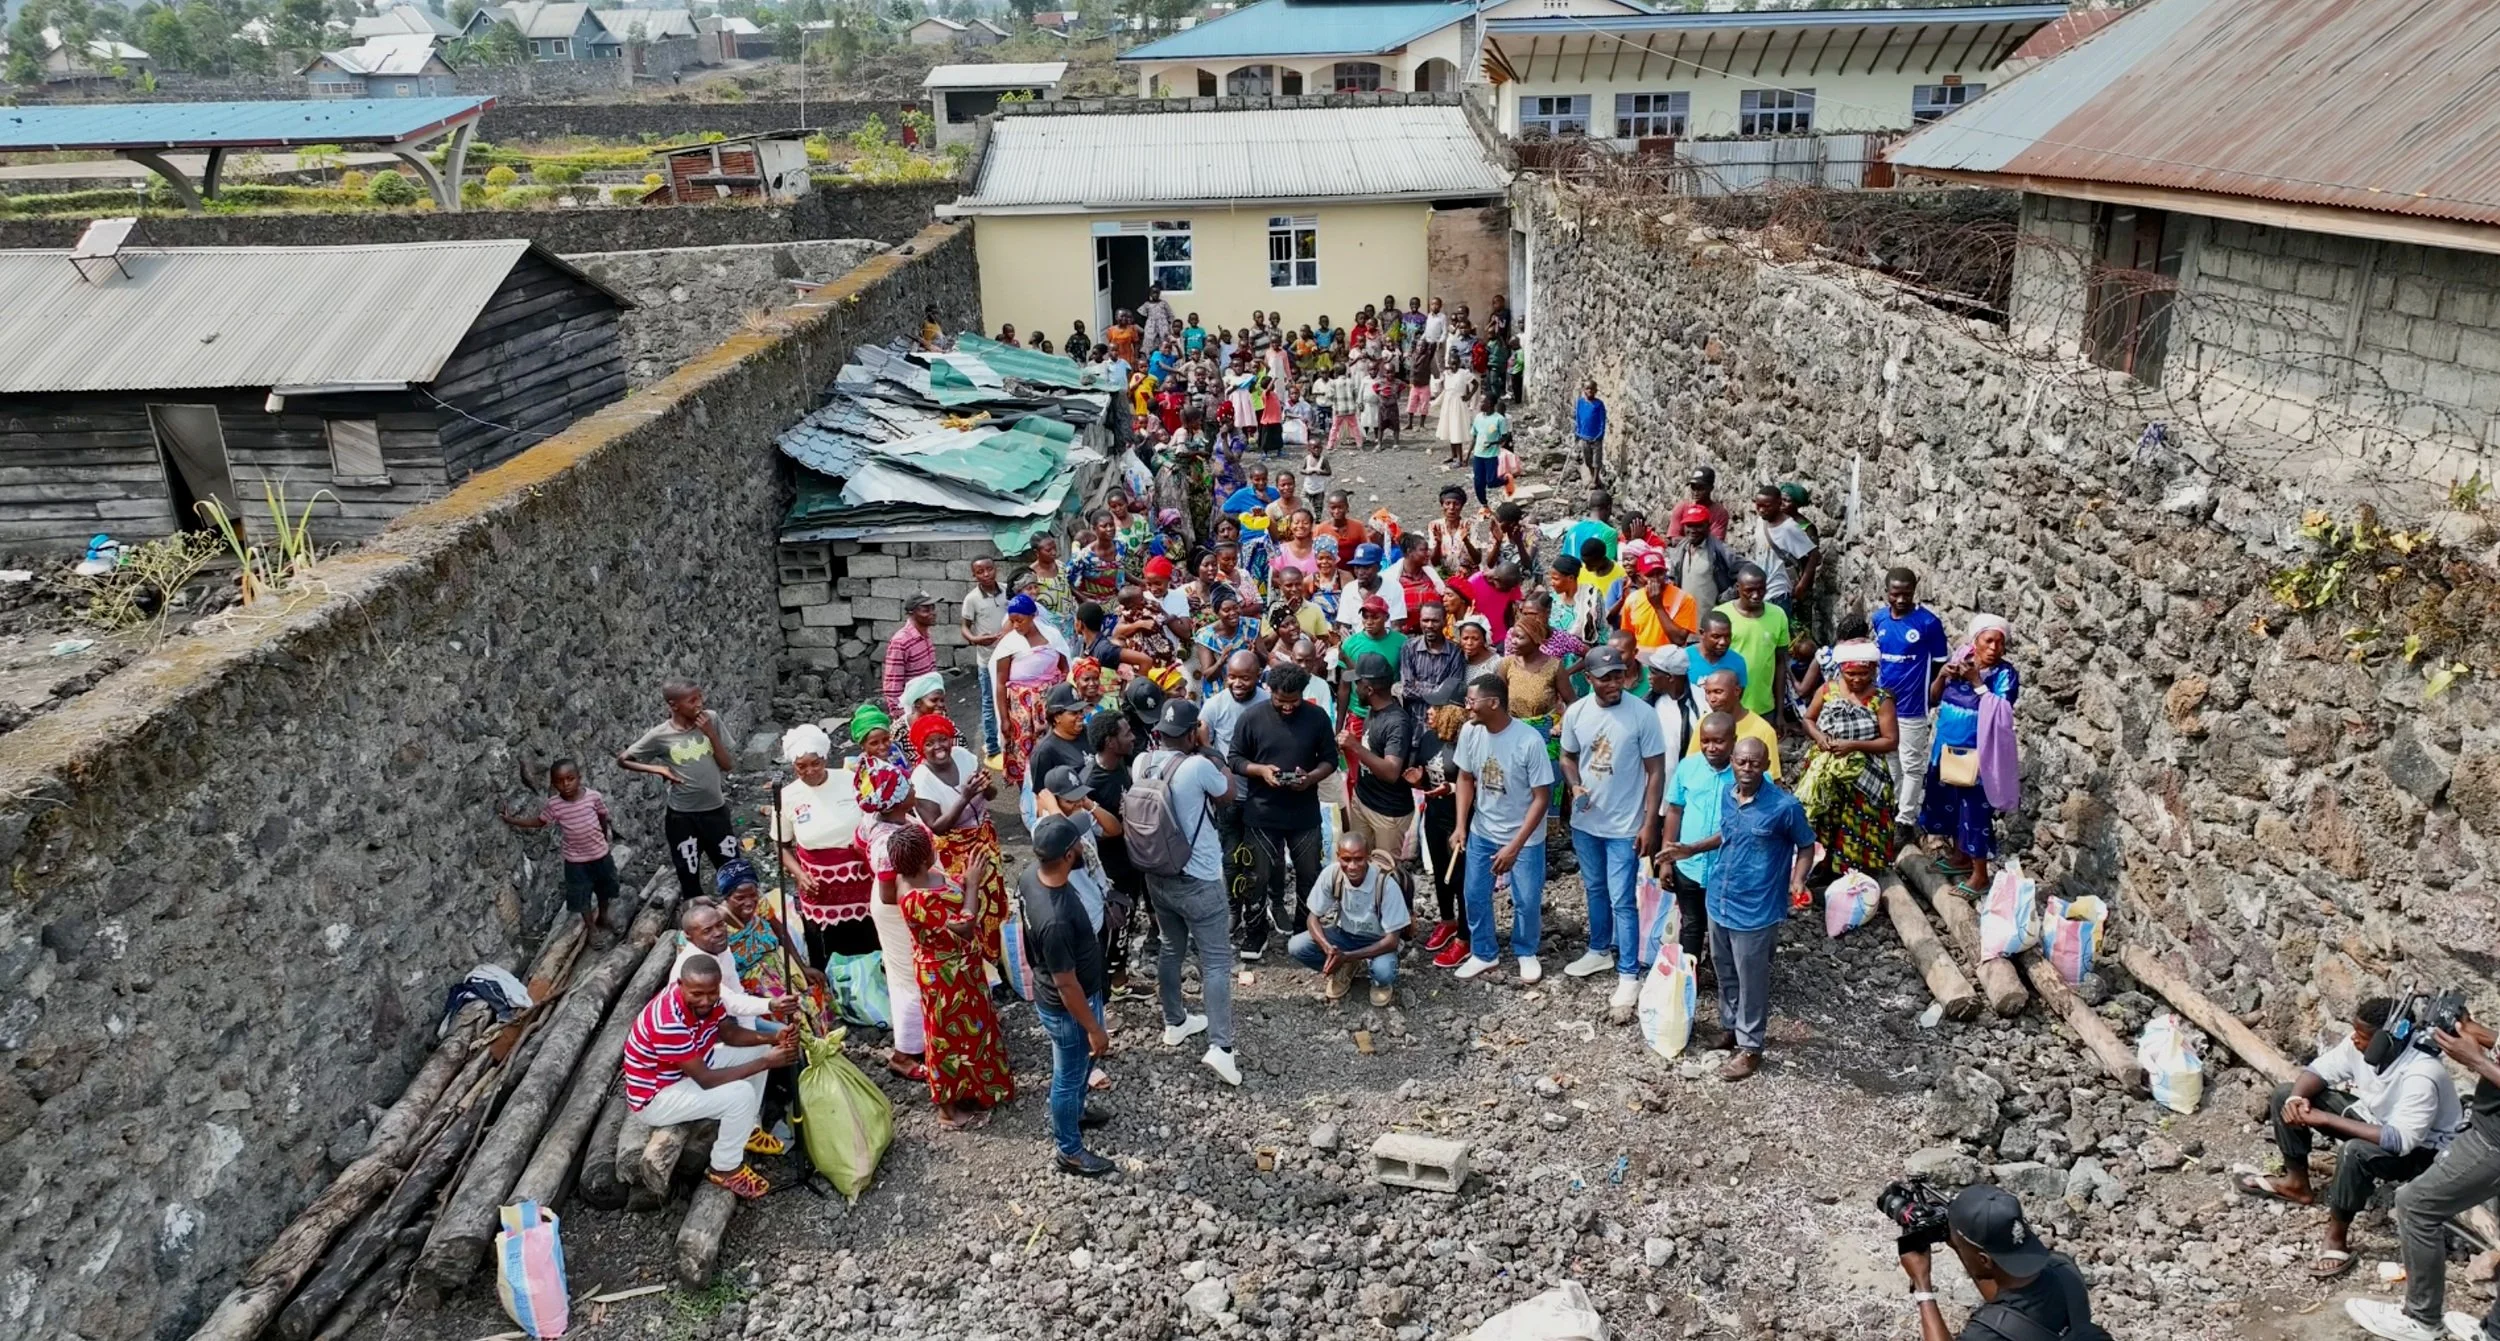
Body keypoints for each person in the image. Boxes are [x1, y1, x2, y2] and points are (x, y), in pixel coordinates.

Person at [2237, 997, 2462, 1281]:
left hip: (2423, 1152)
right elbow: (2317, 1072)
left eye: (2362, 1036)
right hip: (2378, 1122)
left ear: (2387, 1040)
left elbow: (2401, 1140)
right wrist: (2296, 1100)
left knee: (2355, 1152)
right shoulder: (2360, 1045)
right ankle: (2296, 1184)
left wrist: (2325, 1119)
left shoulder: (2422, 1074)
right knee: (2285, 1094)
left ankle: (2336, 1237)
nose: (2354, 1039)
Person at [2344, 1010, 2500, 1341]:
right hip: (2489, 1128)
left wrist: (2478, 1062)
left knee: (2416, 1204)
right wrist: (2475, 1031)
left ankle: (2421, 1319)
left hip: (2493, 1143)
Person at [1670, 736, 1810, 1080]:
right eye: (1741, 762)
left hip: (1756, 907)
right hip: (1720, 898)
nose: (1747, 769)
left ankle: (1750, 1047)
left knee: (1752, 980)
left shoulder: (1784, 807)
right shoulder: (1727, 794)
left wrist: (1798, 879)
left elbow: (1806, 845)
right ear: (1732, 761)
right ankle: (1731, 1027)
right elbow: (1728, 833)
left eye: (1755, 763)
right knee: (1725, 969)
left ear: (1766, 766)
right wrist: (1692, 848)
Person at [1134, 698, 1246, 1087]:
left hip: (1157, 874)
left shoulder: (1141, 761)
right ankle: (1221, 1048)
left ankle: (1175, 1021)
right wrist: (1211, 752)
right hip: (1198, 877)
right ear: (1190, 733)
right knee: (1216, 962)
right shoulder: (1198, 766)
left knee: (1171, 947)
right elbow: (1228, 792)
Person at [621, 955, 797, 1200]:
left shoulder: (713, 998)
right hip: (658, 1096)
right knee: (741, 1094)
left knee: (759, 1050)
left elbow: (729, 1034)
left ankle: (747, 1130)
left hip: (690, 1068)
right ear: (680, 984)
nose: (705, 1001)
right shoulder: (667, 1021)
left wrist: (774, 1038)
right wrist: (767, 1062)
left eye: (712, 993)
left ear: (718, 985)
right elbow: (706, 1079)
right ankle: (725, 1167)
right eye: (697, 994)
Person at [1556, 646, 1668, 1022]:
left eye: (1618, 675)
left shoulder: (1642, 714)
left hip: (1625, 825)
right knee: (1594, 888)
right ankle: (1599, 949)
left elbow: (1656, 771)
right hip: (1586, 822)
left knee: (1622, 898)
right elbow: (1567, 756)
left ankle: (1629, 974)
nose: (1614, 683)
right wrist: (1574, 784)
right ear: (1588, 679)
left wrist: (1649, 823)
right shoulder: (1576, 713)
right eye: (1605, 678)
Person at [889, 821, 1012, 1128]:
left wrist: (967, 878)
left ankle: (975, 1091)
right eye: (931, 847)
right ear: (922, 860)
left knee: (972, 1031)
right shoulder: (916, 898)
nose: (936, 848)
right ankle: (947, 1109)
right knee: (945, 1040)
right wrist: (972, 884)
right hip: (944, 976)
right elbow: (965, 926)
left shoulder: (917, 876)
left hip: (960, 969)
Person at [1227, 663, 1339, 961]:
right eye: (1281, 701)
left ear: (1303, 694)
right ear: (1270, 691)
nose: (1288, 706)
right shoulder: (1252, 718)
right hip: (1262, 813)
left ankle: (1305, 929)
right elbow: (1234, 759)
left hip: (1304, 813)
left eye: (1294, 701)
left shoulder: (1317, 717)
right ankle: (1255, 932)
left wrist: (1311, 778)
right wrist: (1260, 770)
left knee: (1309, 874)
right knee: (1256, 876)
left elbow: (1330, 759)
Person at [1450, 673, 1555, 981]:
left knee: (1527, 898)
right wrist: (1460, 825)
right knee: (1474, 893)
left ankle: (1526, 951)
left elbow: (1542, 798)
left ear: (1493, 703)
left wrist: (1515, 846)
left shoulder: (1529, 741)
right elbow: (1465, 777)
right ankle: (1484, 953)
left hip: (1525, 836)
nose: (1467, 707)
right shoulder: (1470, 731)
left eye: (1472, 701)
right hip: (1483, 829)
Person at [1902, 1186, 2110, 1341]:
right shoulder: (2064, 1268)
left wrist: (1922, 1284)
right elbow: (2011, 1307)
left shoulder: (1987, 1333)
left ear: (1984, 1260)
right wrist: (1960, 1247)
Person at [1920, 614, 2021, 896]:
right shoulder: (1961, 659)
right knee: (1950, 804)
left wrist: (1977, 682)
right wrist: (1942, 675)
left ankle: (1980, 876)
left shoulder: (2004, 674)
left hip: (1980, 755)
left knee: (1974, 812)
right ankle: (1959, 857)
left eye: (2000, 643)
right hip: (1948, 748)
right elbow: (1933, 697)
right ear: (1975, 641)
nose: (1994, 648)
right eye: (1988, 641)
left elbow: (2002, 711)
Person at [618, 680, 737, 903]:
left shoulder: (710, 720)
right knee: (688, 872)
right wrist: (658, 769)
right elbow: (623, 760)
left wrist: (710, 734)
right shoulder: (660, 735)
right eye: (692, 701)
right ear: (673, 705)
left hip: (715, 811)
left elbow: (727, 765)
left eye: (700, 697)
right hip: (682, 817)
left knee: (732, 868)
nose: (699, 704)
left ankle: (735, 911)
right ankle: (696, 913)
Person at [909, 715, 1008, 970]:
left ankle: (999, 954)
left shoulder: (964, 757)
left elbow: (991, 795)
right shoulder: (921, 780)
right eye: (930, 743)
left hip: (984, 838)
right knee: (970, 901)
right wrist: (965, 797)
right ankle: (979, 963)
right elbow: (937, 827)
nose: (938, 747)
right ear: (920, 748)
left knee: (993, 895)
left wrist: (986, 787)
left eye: (942, 739)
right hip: (955, 851)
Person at [774, 725, 879, 964]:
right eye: (801, 766)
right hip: (819, 890)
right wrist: (800, 875)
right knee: (827, 950)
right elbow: (781, 845)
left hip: (862, 881)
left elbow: (875, 821)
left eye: (816, 763)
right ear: (793, 766)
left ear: (825, 758)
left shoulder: (851, 780)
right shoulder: (787, 796)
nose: (810, 771)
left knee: (870, 941)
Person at [1796, 640, 1899, 878]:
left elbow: (1890, 741)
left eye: (1864, 673)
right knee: (1825, 817)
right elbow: (1808, 719)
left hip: (1865, 774)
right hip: (1827, 771)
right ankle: (1821, 869)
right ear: (1841, 669)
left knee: (1860, 823)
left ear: (1874, 670)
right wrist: (1820, 737)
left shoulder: (1881, 700)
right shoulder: (1827, 691)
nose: (1857, 679)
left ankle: (1856, 874)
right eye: (1851, 674)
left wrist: (1852, 745)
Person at [1652, 711, 1735, 973]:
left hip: (1727, 868)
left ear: (1733, 740)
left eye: (1719, 741)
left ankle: (1726, 978)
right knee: (1691, 923)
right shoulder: (1688, 767)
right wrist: (1667, 859)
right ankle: (1689, 979)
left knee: (1724, 926)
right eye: (1705, 741)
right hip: (1689, 866)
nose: (1711, 747)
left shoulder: (1746, 773)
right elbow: (1674, 810)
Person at [499, 757, 616, 941]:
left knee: (605, 889)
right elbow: (540, 821)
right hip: (576, 861)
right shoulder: (554, 805)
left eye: (570, 779)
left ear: (579, 778)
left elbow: (602, 817)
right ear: (553, 784)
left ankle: (603, 916)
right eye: (560, 781)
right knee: (581, 896)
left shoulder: (593, 797)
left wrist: (604, 837)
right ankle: (591, 928)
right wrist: (512, 820)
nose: (566, 785)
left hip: (600, 855)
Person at [1288, 831, 1411, 1007]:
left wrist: (1347, 956)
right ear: (1338, 857)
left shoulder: (1386, 884)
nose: (1352, 866)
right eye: (1346, 859)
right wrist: (1328, 948)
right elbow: (1312, 918)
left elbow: (1392, 941)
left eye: (1358, 859)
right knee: (1297, 946)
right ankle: (1346, 967)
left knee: (1384, 973)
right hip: (1345, 935)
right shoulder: (1332, 874)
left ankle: (1377, 981)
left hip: (1378, 940)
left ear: (1368, 857)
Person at [1874, 568, 1950, 845]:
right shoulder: (1879, 619)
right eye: (1896, 594)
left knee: (1912, 765)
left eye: (1907, 594)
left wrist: (1931, 698)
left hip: (1913, 707)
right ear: (1887, 592)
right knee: (1891, 761)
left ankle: (1905, 821)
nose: (1901, 599)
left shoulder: (1928, 623)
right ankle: (1895, 809)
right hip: (1885, 706)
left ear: (1914, 592)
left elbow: (1940, 665)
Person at [714, 859, 833, 1035]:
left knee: (816, 986)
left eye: (753, 895)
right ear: (726, 897)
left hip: (776, 962)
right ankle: (801, 1045)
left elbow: (781, 932)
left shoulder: (760, 902)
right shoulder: (718, 924)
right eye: (740, 898)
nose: (749, 902)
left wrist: (802, 966)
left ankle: (822, 1036)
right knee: (793, 1007)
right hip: (748, 979)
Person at [1338, 652, 1415, 865]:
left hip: (1388, 814)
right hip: (1363, 801)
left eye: (1358, 684)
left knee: (1385, 875)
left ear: (1369, 689)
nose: (1355, 689)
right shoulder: (1374, 709)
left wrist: (1355, 746)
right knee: (1359, 868)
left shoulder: (1396, 723)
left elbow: (1391, 772)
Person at [993, 594, 1069, 790]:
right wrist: (1004, 719)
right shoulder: (1009, 644)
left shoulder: (1052, 637)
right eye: (1012, 621)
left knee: (1053, 744)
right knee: (1023, 749)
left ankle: (1055, 788)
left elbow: (1064, 668)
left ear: (1033, 616)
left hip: (1050, 702)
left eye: (1020, 620)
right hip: (1021, 708)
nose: (1016, 625)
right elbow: (1000, 683)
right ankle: (1027, 794)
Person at [962, 558, 1010, 757]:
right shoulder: (972, 599)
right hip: (987, 659)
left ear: (996, 569)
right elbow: (965, 626)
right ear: (974, 575)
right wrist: (975, 639)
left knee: (1009, 699)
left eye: (989, 569)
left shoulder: (1008, 590)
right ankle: (992, 746)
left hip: (1009, 655)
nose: (986, 574)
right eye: (980, 571)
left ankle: (1009, 741)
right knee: (989, 702)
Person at [1663, 501, 1741, 619]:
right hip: (1685, 622)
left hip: (1710, 623)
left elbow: (1748, 572)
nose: (1693, 530)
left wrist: (1727, 597)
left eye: (1698, 525)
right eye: (1689, 525)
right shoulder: (1681, 549)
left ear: (1708, 526)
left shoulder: (1720, 550)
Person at [1617, 553, 1698, 652]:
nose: (1655, 579)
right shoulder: (1632, 600)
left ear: (1665, 572)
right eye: (1650, 575)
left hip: (1671, 657)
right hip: (1641, 657)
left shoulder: (1685, 599)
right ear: (1640, 576)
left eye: (1660, 573)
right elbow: (1628, 636)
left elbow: (1679, 640)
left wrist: (1658, 606)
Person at [1399, 600, 1467, 712]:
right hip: (1414, 717)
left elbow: (1451, 692)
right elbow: (1407, 690)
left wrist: (1419, 686)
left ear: (1444, 622)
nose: (1429, 625)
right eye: (1425, 620)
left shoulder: (1455, 651)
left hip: (1442, 716)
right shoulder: (1409, 647)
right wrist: (1438, 691)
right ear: (1420, 621)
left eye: (1435, 621)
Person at [882, 592, 940, 715]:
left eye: (933, 608)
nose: (933, 613)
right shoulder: (901, 641)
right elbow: (893, 685)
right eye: (926, 610)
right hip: (912, 710)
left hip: (929, 706)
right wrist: (900, 715)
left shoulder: (926, 636)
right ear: (911, 612)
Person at [1570, 382, 1608, 488]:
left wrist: (1601, 433)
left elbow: (1602, 420)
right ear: (1584, 390)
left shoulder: (1599, 404)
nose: (1589, 391)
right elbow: (1578, 418)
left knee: (1597, 460)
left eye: (1592, 389)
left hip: (1596, 437)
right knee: (1588, 460)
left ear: (1596, 390)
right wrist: (1577, 431)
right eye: (1587, 388)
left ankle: (1595, 481)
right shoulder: (1580, 403)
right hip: (1584, 436)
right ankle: (1594, 477)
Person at [1684, 466, 1732, 539]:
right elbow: (1674, 539)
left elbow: (1715, 541)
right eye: (1693, 487)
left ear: (1711, 488)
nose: (1696, 492)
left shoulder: (1719, 513)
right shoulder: (1682, 507)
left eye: (1701, 488)